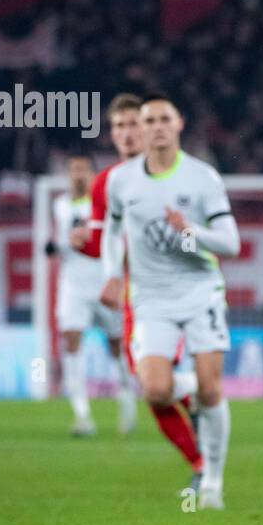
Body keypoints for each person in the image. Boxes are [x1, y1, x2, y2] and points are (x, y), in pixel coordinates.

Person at [104, 95, 241, 510]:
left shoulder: (203, 178)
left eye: (165, 118)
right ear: (139, 128)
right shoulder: (120, 181)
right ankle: (192, 391)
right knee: (155, 389)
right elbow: (112, 229)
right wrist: (112, 273)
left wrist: (191, 231)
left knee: (212, 389)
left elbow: (231, 244)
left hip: (201, 293)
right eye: (149, 120)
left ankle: (213, 483)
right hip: (151, 299)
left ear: (179, 124)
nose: (157, 126)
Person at [79, 93, 204, 488]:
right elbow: (102, 243)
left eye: (134, 124)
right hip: (138, 295)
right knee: (152, 390)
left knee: (157, 381)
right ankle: (199, 451)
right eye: (118, 126)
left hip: (181, 290)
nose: (127, 133)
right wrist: (80, 243)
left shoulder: (180, 175)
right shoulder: (107, 183)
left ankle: (199, 409)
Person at [48, 153, 137, 436]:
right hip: (73, 285)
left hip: (104, 280)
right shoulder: (59, 205)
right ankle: (82, 415)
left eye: (83, 170)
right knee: (71, 340)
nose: (78, 175)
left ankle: (126, 397)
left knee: (116, 345)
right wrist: (58, 245)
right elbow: (59, 240)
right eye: (73, 169)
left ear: (92, 175)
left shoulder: (104, 201)